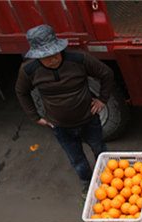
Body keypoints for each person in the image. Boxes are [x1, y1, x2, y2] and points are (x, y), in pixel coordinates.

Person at [15, 24, 114, 196]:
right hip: (60, 126)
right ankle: (87, 183)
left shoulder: (79, 59)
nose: (53, 59)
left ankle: (110, 181)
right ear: (37, 56)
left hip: (89, 120)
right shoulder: (29, 70)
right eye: (46, 56)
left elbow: (106, 73)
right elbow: (21, 92)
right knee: (76, 159)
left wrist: (102, 100)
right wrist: (35, 117)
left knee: (100, 150)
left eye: (55, 53)